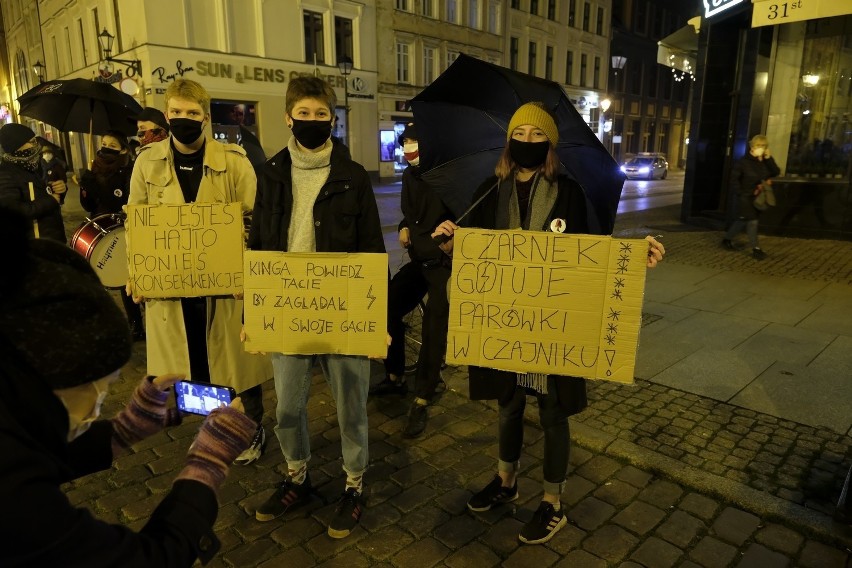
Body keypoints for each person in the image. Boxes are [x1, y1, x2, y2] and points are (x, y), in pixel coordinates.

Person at [431, 102, 665, 545]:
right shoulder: (489, 190)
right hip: (505, 324)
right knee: (508, 406)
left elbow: (594, 252)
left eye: (538, 136)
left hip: (552, 326)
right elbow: (471, 258)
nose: (528, 142)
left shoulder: (569, 193)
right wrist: (449, 244)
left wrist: (635, 256)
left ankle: (552, 503)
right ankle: (506, 481)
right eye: (520, 133)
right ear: (509, 140)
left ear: (551, 144)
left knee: (553, 412)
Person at [0, 205, 256, 567]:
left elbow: (35, 448)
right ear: (52, 376)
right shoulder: (14, 499)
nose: (100, 400)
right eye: (98, 384)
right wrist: (208, 461)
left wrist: (122, 432)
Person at [248, 76, 385, 538]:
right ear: (289, 117)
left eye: (320, 114)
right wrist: (256, 314)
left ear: (332, 119)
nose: (311, 121)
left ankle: (354, 484)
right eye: (302, 114)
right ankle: (297, 477)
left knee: (351, 405)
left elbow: (372, 249)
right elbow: (259, 247)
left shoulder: (354, 176)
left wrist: (377, 322)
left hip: (344, 309)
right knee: (287, 406)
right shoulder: (270, 174)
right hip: (286, 310)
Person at [129, 78, 272, 466]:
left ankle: (251, 429)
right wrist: (137, 273)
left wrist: (244, 264)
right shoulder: (147, 162)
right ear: (167, 114)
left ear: (205, 117)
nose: (184, 119)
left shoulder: (234, 161)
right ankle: (212, 428)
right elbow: (135, 223)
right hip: (171, 285)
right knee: (191, 361)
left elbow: (256, 219)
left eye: (192, 113)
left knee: (236, 365)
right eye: (177, 112)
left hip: (225, 287)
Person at [369, 122, 452, 438]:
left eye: (414, 142)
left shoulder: (447, 179)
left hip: (444, 264)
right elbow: (411, 214)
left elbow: (463, 218)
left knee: (434, 326)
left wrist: (454, 231)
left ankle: (424, 394)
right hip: (419, 260)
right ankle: (395, 376)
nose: (408, 149)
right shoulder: (409, 175)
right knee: (386, 304)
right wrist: (404, 226)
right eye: (405, 143)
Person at [79, 131, 145, 341]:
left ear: (124, 149)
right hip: (100, 228)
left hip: (122, 227)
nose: (105, 148)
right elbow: (88, 205)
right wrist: (86, 189)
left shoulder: (128, 170)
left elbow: (123, 200)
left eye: (112, 145)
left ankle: (137, 322)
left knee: (124, 276)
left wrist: (99, 188)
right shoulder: (95, 169)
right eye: (104, 143)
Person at [0, 123, 66, 242]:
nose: (37, 145)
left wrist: (57, 189)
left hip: (52, 239)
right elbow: (13, 212)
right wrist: (51, 201)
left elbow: (38, 192)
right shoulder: (5, 174)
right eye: (32, 142)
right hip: (35, 246)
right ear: (17, 146)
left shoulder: (32, 165)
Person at [721, 134, 780, 260]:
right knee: (752, 222)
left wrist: (769, 158)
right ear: (752, 146)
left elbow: (775, 172)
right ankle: (756, 249)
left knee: (743, 220)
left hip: (758, 197)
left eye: (763, 146)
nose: (761, 148)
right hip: (745, 197)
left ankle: (727, 239)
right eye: (759, 145)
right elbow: (733, 179)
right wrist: (741, 193)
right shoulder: (743, 162)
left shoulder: (764, 162)